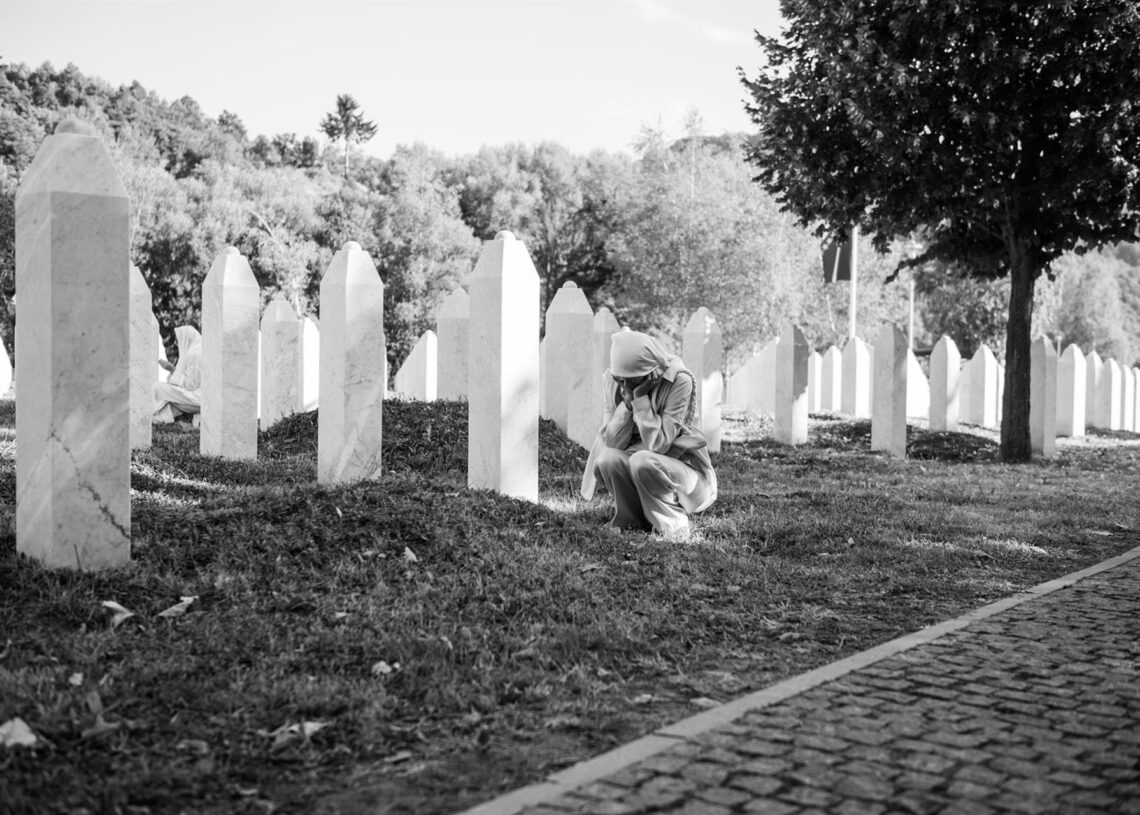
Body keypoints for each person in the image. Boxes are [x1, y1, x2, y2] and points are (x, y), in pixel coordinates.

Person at [581, 330, 717, 538]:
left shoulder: (679, 381)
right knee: (607, 459)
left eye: (632, 380)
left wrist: (641, 400)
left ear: (651, 373)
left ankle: (673, 525)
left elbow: (659, 445)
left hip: (680, 469)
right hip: (637, 458)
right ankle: (630, 520)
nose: (624, 385)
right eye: (620, 379)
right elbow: (613, 443)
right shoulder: (611, 380)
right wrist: (627, 405)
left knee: (643, 460)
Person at [153, 325, 202, 423]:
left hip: (198, 399)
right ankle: (173, 417)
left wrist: (172, 370)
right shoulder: (195, 351)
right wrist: (172, 370)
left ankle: (148, 414)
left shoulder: (196, 354)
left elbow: (191, 385)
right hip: (195, 397)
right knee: (165, 393)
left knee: (157, 388)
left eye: (178, 339)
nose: (177, 343)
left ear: (186, 338)